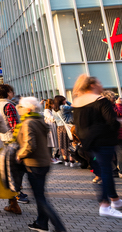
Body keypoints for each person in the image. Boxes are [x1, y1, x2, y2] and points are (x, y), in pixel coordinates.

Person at [72, 74, 122, 218]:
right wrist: (118, 122)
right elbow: (111, 122)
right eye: (99, 82)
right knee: (106, 172)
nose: (102, 85)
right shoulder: (101, 100)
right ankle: (105, 205)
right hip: (103, 139)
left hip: (88, 140)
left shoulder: (77, 102)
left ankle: (115, 200)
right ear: (92, 85)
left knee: (104, 169)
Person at [15, 97, 67, 232]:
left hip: (34, 164)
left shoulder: (28, 123)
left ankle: (59, 226)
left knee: (40, 198)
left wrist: (20, 155)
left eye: (20, 107)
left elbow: (30, 145)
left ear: (28, 109)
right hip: (43, 162)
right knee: (40, 195)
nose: (18, 109)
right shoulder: (39, 120)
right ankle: (41, 223)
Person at [52, 95, 76, 167]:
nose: (65, 100)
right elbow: (74, 107)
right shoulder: (63, 107)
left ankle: (66, 161)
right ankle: (71, 161)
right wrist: (67, 102)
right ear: (61, 101)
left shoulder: (54, 109)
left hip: (59, 128)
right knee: (70, 143)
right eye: (64, 100)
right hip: (67, 127)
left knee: (62, 144)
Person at [43, 99, 61, 164]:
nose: (54, 105)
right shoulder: (46, 111)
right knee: (50, 143)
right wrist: (58, 118)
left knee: (53, 143)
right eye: (53, 104)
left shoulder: (51, 110)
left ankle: (54, 157)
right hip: (50, 128)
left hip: (53, 127)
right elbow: (52, 119)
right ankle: (50, 158)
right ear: (50, 104)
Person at [114, 97, 122, 178]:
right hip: (119, 134)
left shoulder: (113, 108)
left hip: (117, 134)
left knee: (119, 153)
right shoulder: (116, 108)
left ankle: (120, 171)